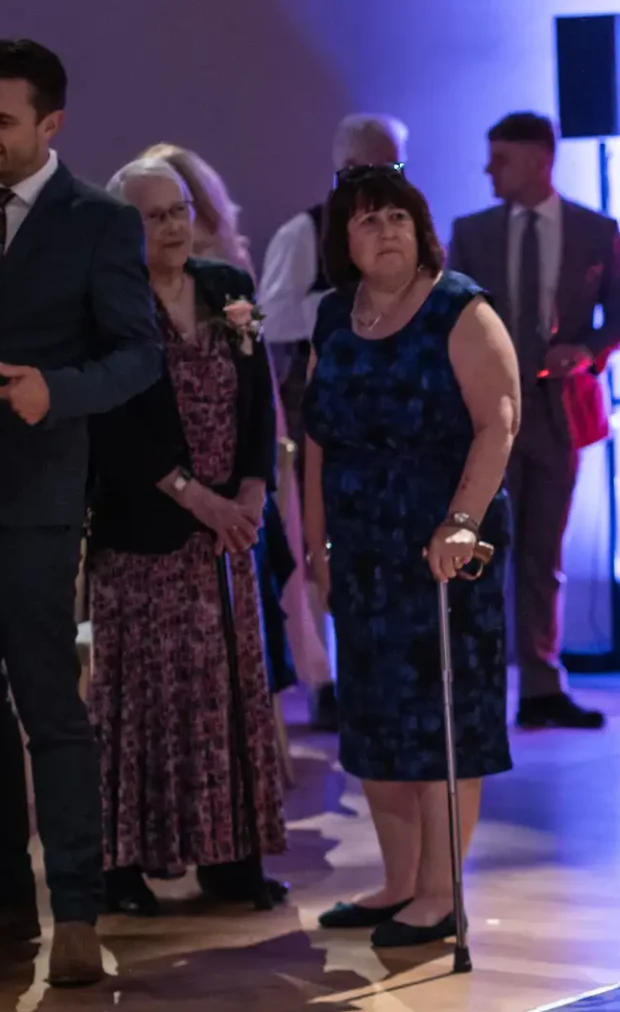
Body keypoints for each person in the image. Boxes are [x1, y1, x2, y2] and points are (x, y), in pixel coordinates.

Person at [0, 39, 162, 986]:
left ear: (50, 125)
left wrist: (54, 392)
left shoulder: (99, 223)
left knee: (47, 706)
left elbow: (138, 355)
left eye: (0, 120)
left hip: (33, 499)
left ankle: (76, 911)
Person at [302, 164, 516, 948]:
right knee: (375, 717)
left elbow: (499, 422)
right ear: (344, 241)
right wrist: (317, 544)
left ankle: (440, 892)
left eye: (397, 216)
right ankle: (397, 882)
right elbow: (318, 441)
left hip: (443, 553)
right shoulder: (333, 318)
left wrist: (461, 520)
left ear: (420, 227)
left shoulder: (459, 308)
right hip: (361, 550)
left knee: (438, 719)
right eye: (367, 221)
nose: (385, 230)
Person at [87, 156, 286, 914]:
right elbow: (118, 430)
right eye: (152, 215)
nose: (171, 226)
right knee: (144, 701)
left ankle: (231, 858)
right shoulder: (106, 305)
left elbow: (261, 402)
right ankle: (125, 866)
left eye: (177, 211)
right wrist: (199, 499)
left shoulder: (230, 291)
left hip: (230, 536)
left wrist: (253, 493)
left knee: (229, 696)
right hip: (146, 532)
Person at [447, 111, 620, 729]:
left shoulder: (594, 230)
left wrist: (586, 352)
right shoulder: (471, 233)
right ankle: (477, 683)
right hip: (485, 417)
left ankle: (538, 685)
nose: (488, 170)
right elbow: (451, 314)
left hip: (558, 414)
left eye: (500, 159)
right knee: (480, 549)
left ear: (538, 161)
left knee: (541, 556)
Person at [259, 114, 408, 731]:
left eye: (394, 171)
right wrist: (347, 306)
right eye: (369, 170)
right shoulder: (305, 233)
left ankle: (386, 674)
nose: (383, 183)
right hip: (321, 411)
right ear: (342, 170)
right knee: (320, 548)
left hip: (390, 415)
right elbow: (271, 319)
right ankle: (327, 682)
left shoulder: (407, 233)